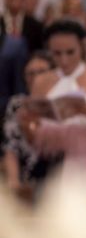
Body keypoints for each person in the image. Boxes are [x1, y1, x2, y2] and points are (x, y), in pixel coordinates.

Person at [22, 20, 86, 193]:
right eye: (57, 53)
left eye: (70, 52)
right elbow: (33, 139)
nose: (64, 60)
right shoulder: (42, 81)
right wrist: (26, 124)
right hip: (52, 166)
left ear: (82, 47)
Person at [2, 51, 55, 201]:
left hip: (55, 177)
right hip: (24, 177)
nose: (36, 77)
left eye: (41, 72)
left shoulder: (60, 103)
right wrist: (14, 183)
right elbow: (10, 147)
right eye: (30, 73)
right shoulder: (17, 104)